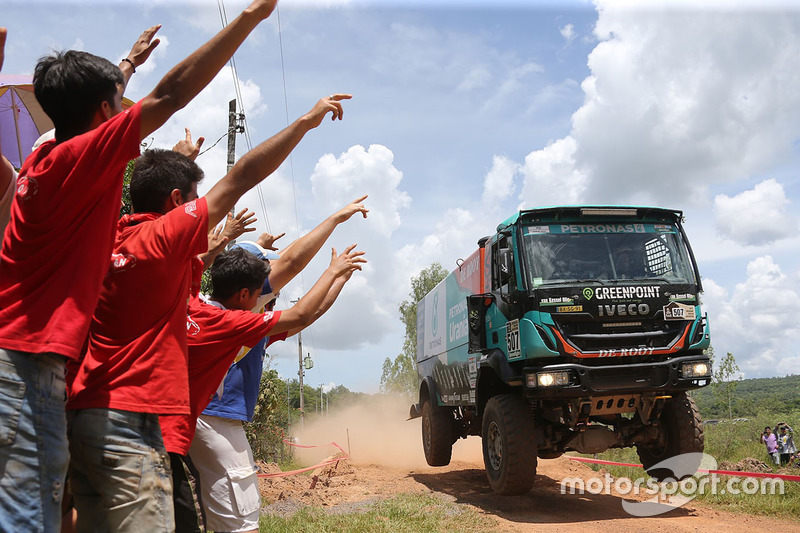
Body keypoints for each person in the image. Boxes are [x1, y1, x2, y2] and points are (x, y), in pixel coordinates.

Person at [67, 86, 353, 532]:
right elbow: (241, 177)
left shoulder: (106, 242)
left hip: (84, 416)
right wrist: (305, 122)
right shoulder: (177, 269)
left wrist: (173, 162)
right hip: (142, 429)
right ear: (176, 204)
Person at [0, 21, 178, 531]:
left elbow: (84, 112)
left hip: (32, 368)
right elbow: (172, 94)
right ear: (104, 114)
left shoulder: (39, 161)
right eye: (115, 105)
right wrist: (253, 16)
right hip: (28, 366)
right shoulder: (76, 163)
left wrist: (126, 65)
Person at [188, 198, 368, 533]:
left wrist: (339, 280)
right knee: (241, 522)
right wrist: (332, 259)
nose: (273, 287)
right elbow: (299, 305)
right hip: (218, 420)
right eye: (266, 280)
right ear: (246, 292)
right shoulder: (233, 322)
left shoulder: (208, 310)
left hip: (201, 421)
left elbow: (303, 319)